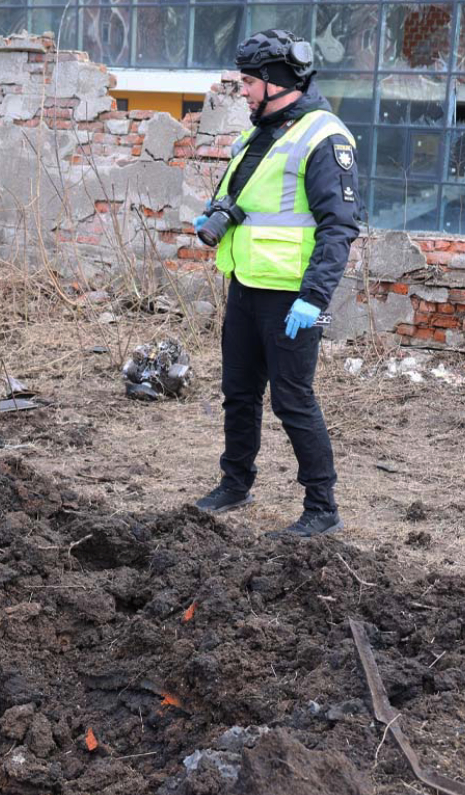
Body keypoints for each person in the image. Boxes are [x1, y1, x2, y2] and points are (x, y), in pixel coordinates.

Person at [193, 29, 362, 537]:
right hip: (246, 287)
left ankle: (322, 508)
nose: (241, 90)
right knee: (239, 394)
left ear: (273, 81)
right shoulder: (259, 132)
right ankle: (235, 484)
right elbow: (253, 203)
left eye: (247, 81)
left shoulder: (323, 136)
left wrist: (314, 297)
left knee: (293, 401)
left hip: (291, 300)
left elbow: (339, 227)